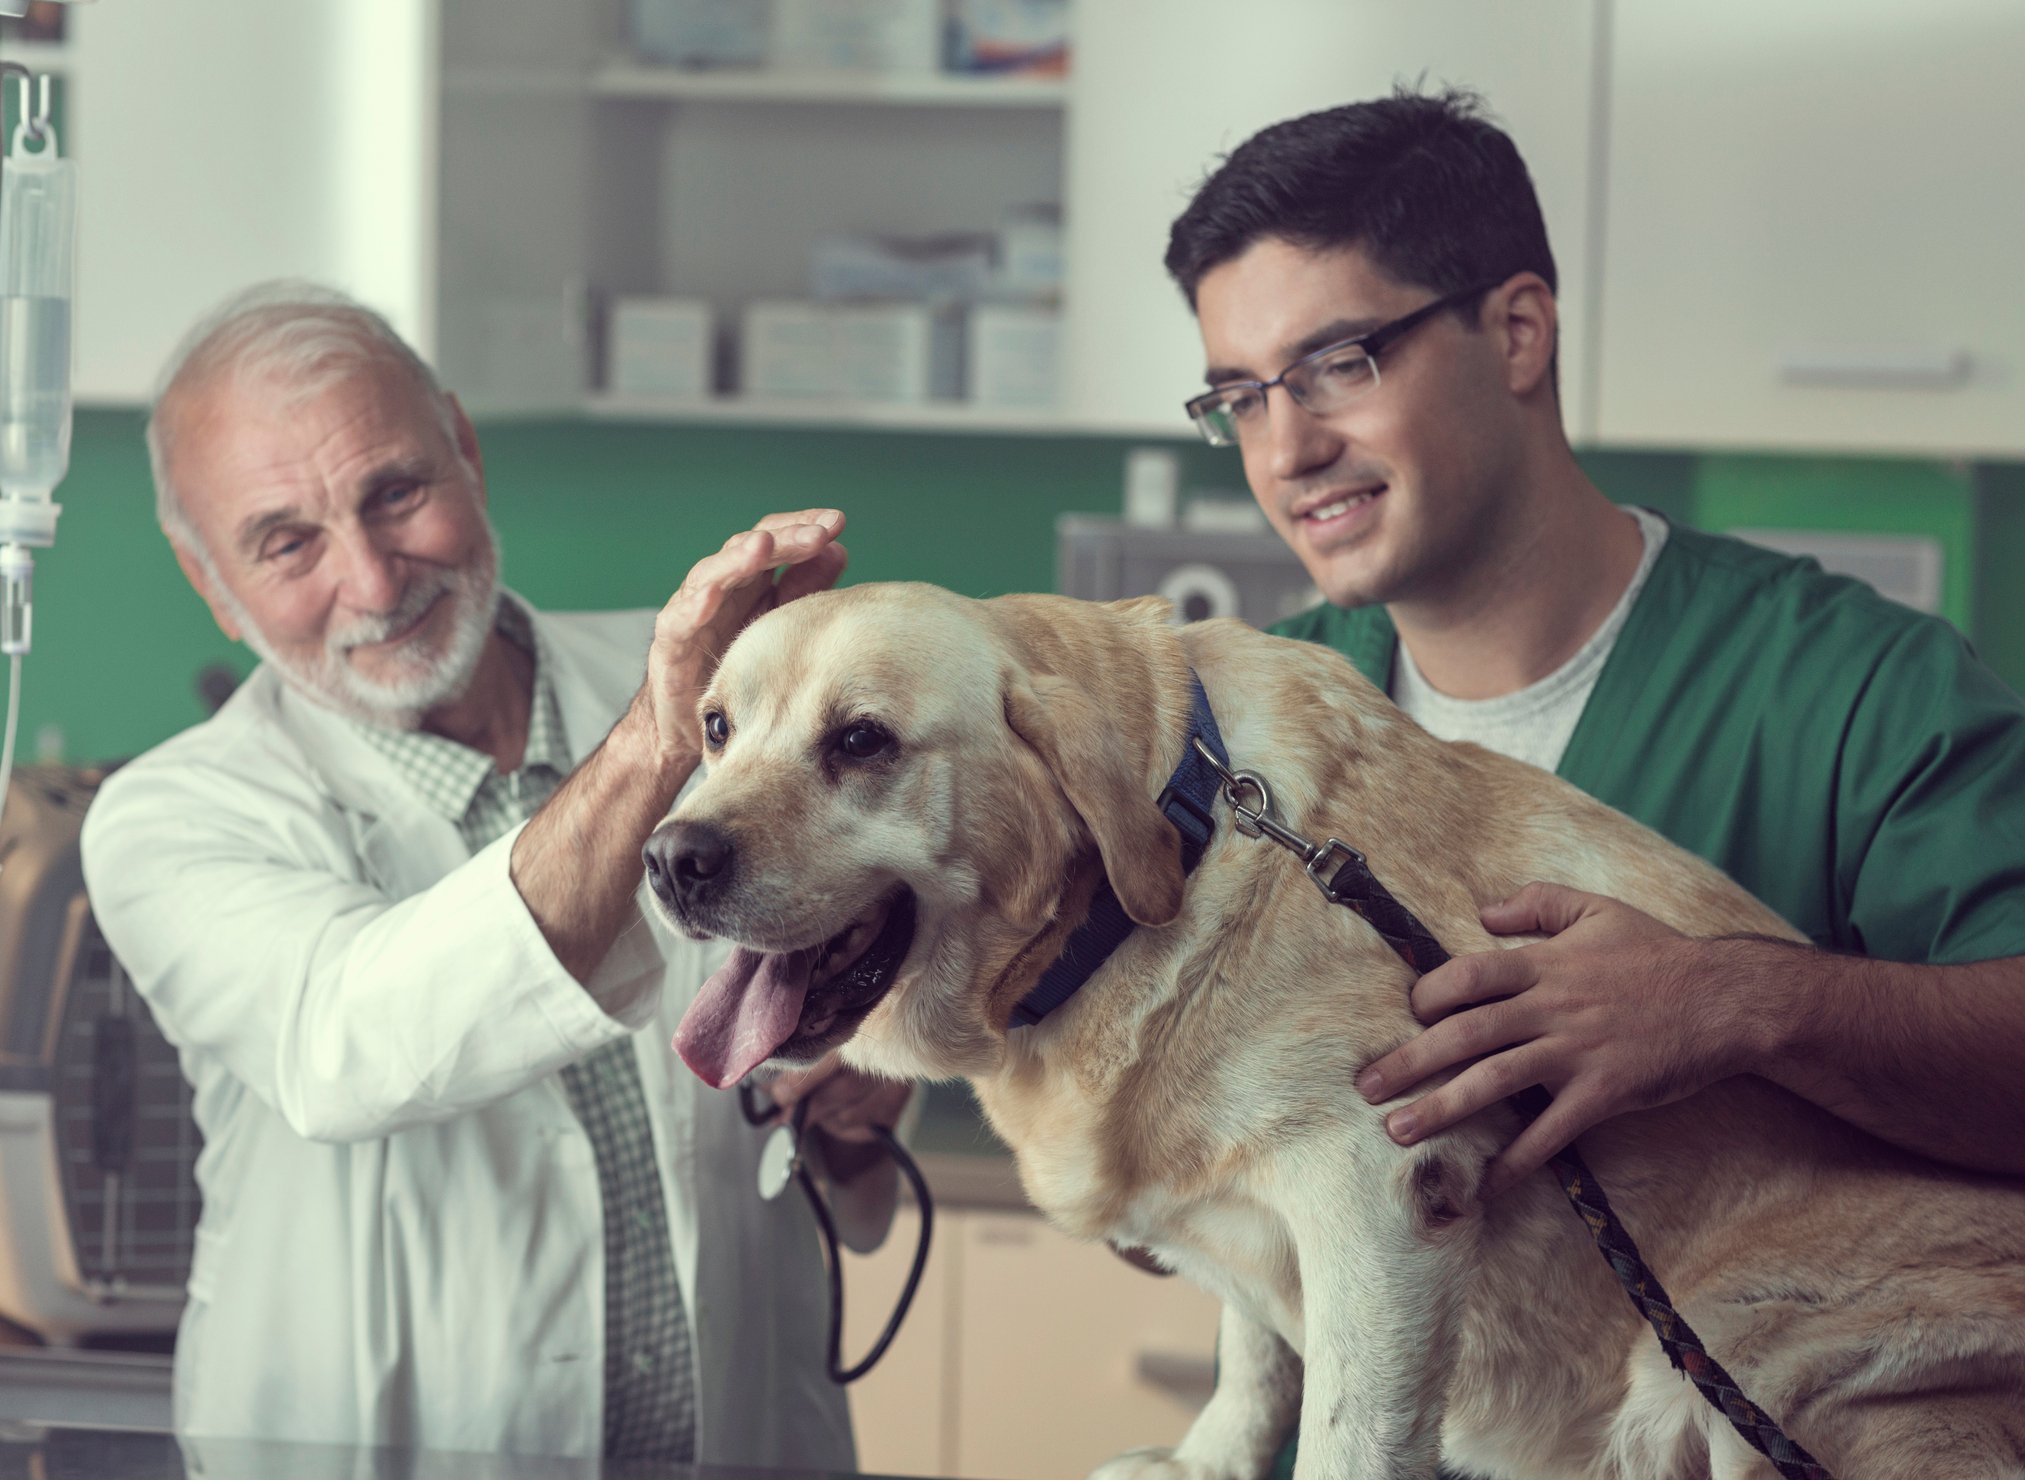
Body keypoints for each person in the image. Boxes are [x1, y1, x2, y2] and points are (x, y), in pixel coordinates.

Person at [1164, 89, 2025, 1467]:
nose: (1285, 450)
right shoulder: (1242, 724)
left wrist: (1742, 1002)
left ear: (1515, 330)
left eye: (1335, 364)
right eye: (1240, 395)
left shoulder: (1857, 691)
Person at [79, 282, 911, 1465]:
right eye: (286, 542)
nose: (372, 581)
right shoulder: (168, 818)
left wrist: (852, 1096)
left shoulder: (713, 683)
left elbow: (819, 985)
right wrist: (656, 740)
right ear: (209, 579)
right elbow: (350, 1042)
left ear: (464, 452)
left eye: (397, 492)